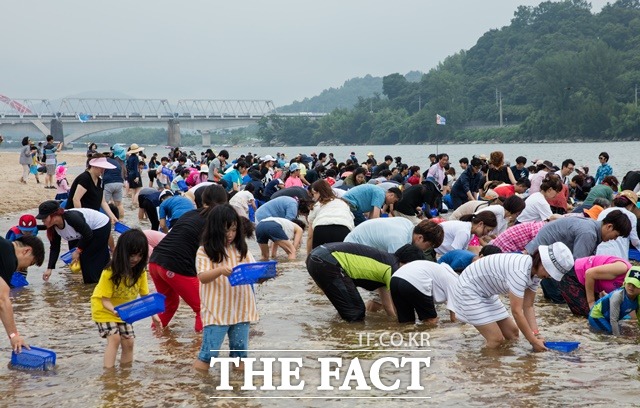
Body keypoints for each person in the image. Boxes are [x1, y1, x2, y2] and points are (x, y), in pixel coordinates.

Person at [451, 242, 573, 350]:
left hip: (487, 292)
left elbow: (528, 306)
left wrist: (536, 334)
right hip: (468, 289)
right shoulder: (519, 272)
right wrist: (533, 341)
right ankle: (483, 370)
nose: (550, 276)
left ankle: (503, 365)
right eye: (550, 272)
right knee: (496, 339)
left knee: (513, 334)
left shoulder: (535, 274)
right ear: (541, 262)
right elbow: (517, 312)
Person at [148, 184, 229, 332]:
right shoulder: (215, 220)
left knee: (170, 304)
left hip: (155, 262)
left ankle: (156, 340)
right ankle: (199, 349)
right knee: (203, 307)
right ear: (225, 202)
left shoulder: (190, 214)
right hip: (175, 265)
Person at [193, 205, 258, 371]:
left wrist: (263, 275)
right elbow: (202, 277)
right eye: (225, 230)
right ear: (215, 229)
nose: (230, 235)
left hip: (241, 309)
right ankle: (199, 391)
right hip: (217, 311)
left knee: (240, 355)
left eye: (234, 230)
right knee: (208, 354)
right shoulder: (204, 251)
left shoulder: (241, 250)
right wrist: (220, 270)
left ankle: (239, 392)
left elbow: (253, 271)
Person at [525, 210, 632, 303]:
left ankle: (549, 286)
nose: (614, 239)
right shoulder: (589, 233)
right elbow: (578, 266)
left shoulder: (593, 227)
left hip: (545, 251)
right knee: (564, 299)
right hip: (543, 256)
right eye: (616, 235)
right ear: (609, 227)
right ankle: (549, 285)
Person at [91, 229, 162, 368]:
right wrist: (114, 310)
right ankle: (109, 376)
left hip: (125, 312)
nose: (135, 259)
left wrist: (154, 315)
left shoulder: (140, 272)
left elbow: (145, 296)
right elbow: (104, 300)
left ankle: (125, 376)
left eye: (140, 255)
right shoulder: (109, 272)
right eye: (132, 255)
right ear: (123, 252)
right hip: (104, 310)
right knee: (115, 339)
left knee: (129, 342)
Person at [306, 242, 425, 322]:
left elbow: (387, 305)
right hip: (328, 262)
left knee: (348, 308)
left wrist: (392, 323)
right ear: (409, 263)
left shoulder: (387, 263)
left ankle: (337, 333)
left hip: (317, 257)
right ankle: (348, 343)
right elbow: (396, 305)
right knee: (356, 313)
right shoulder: (393, 269)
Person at [37, 200, 112, 284]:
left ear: (54, 216)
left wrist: (78, 250)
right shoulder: (53, 227)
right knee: (89, 259)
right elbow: (55, 248)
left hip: (100, 225)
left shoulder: (71, 218)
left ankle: (93, 286)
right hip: (88, 232)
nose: (42, 220)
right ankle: (104, 280)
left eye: (44, 218)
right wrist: (49, 269)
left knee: (88, 258)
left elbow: (88, 235)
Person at [0, 235, 44, 352]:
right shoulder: (9, 259)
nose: (22, 269)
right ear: (26, 251)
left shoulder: (4, 246)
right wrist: (14, 336)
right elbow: (2, 300)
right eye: (30, 264)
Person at [559, 254, 632, 317]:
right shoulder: (623, 268)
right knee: (590, 315)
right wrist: (591, 302)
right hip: (574, 276)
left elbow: (631, 308)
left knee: (602, 314)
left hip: (590, 284)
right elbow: (589, 274)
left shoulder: (634, 289)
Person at [390, 260, 459, 324]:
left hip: (395, 279)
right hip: (415, 280)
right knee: (431, 321)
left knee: (406, 322)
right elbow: (454, 318)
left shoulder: (446, 273)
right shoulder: (456, 285)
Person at [344, 217, 444, 255]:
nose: (427, 249)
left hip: (359, 242)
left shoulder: (407, 224)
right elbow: (394, 270)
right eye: (429, 245)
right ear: (420, 238)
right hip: (352, 249)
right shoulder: (399, 241)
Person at [66, 155, 118, 224]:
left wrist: (112, 216)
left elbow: (103, 202)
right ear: (93, 166)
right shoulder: (85, 178)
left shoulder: (99, 181)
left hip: (92, 217)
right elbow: (76, 199)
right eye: (101, 168)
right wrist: (82, 219)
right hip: (77, 217)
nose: (103, 170)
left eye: (104, 168)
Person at [588, 267, 640, 336]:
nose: (631, 287)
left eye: (635, 285)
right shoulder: (618, 296)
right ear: (625, 282)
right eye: (629, 283)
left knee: (626, 331)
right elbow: (613, 320)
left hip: (610, 317)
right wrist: (618, 340)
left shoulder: (638, 299)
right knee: (611, 332)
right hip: (596, 315)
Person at [307, 179, 354, 253]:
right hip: (343, 229)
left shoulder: (316, 205)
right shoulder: (343, 203)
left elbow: (310, 236)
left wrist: (308, 258)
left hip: (321, 229)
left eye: (314, 194)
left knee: (319, 260)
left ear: (320, 192)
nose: (314, 197)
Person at [437, 245, 503, 272]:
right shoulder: (462, 261)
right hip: (441, 268)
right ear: (482, 256)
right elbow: (450, 274)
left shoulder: (475, 262)